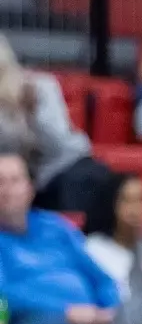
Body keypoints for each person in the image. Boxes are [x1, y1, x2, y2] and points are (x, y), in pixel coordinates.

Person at [0, 149, 118, 324]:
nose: (7, 190)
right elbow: (4, 295)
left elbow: (101, 278)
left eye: (15, 181)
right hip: (29, 321)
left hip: (90, 315)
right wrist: (66, 311)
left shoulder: (55, 226)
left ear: (30, 189)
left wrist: (111, 310)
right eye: (0, 182)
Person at [0, 35, 101, 213]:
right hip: (21, 180)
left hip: (62, 167)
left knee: (89, 180)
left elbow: (58, 145)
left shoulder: (37, 87)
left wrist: (34, 113)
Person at [82, 172, 142, 296]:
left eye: (141, 200)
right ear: (111, 204)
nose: (135, 209)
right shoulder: (92, 250)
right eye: (127, 201)